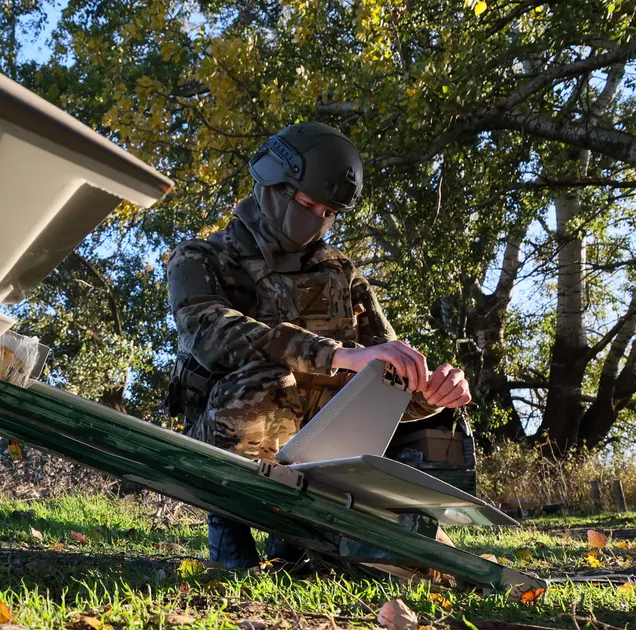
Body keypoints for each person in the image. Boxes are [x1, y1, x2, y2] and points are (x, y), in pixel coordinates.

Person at [163, 122, 473, 570]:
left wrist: (429, 394)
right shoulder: (200, 258)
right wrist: (339, 355)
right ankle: (230, 530)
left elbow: (384, 382)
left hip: (325, 456)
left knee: (428, 567)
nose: (318, 221)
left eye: (330, 212)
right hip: (220, 446)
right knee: (269, 381)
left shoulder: (342, 275)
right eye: (309, 204)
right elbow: (213, 336)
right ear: (274, 185)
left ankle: (299, 541)